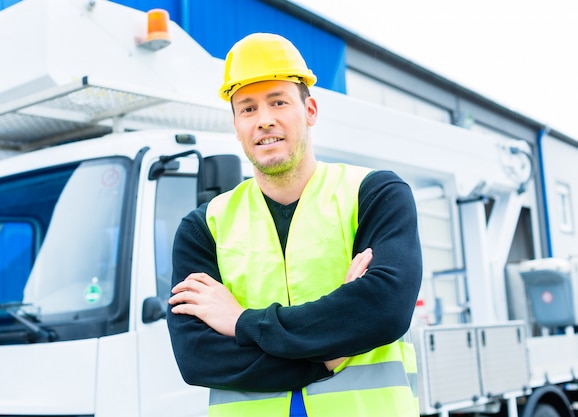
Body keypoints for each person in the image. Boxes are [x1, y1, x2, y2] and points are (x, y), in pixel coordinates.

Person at [167, 32, 422, 417]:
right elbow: (198, 358)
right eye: (248, 108)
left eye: (278, 102)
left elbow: (383, 311)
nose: (264, 120)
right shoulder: (205, 227)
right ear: (235, 124)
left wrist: (240, 322)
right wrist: (327, 355)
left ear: (311, 111)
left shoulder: (374, 194)